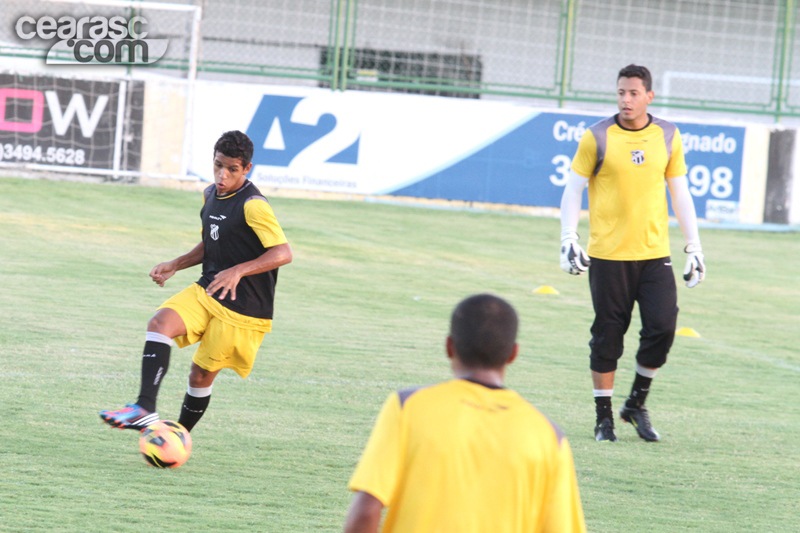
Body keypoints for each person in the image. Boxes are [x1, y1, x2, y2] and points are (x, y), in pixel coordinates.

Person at [343, 294, 587, 533]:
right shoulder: (549, 436)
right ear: (513, 354)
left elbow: (366, 511)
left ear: (450, 346)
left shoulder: (409, 406)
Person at [100, 130, 292, 432]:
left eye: (232, 169)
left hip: (243, 308)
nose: (222, 175)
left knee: (200, 376)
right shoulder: (210, 194)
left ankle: (179, 436)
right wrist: (175, 264)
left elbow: (283, 252)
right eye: (218, 165)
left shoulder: (254, 205)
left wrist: (238, 270)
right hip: (208, 288)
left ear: (247, 169)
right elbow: (212, 243)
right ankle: (144, 408)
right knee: (160, 323)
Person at [559, 64, 705, 443]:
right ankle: (603, 418)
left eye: (634, 93)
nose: (626, 99)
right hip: (607, 256)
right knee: (608, 336)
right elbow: (573, 189)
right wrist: (568, 237)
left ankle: (636, 404)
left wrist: (695, 246)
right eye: (621, 92)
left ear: (649, 96)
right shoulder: (597, 137)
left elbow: (681, 192)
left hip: (655, 254)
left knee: (662, 328)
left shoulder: (669, 136)